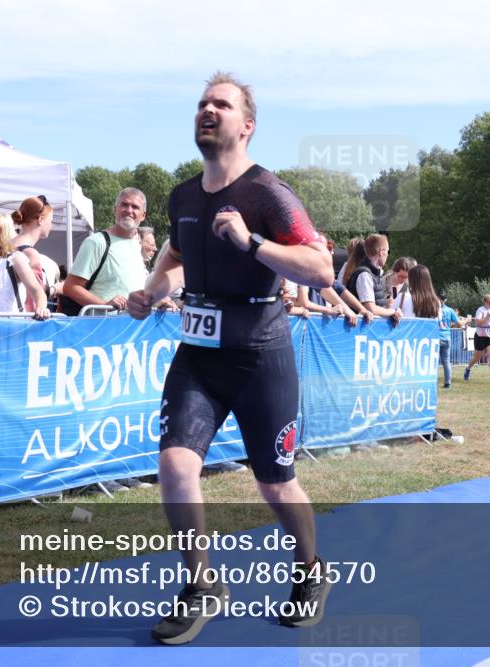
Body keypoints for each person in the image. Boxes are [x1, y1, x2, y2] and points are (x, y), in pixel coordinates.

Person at [127, 72, 334, 644]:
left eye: (221, 104)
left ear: (247, 124)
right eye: (201, 104)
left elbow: (321, 271)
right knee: (174, 466)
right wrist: (153, 290)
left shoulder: (269, 193)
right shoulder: (183, 195)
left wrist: (251, 243)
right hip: (198, 356)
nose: (207, 111)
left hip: (260, 357)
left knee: (275, 483)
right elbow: (175, 255)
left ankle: (311, 571)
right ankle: (200, 585)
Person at [62, 188, 150, 312]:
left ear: (143, 215)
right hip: (103, 327)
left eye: (135, 207)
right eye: (124, 204)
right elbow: (71, 287)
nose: (129, 210)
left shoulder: (136, 246)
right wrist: (104, 305)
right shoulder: (96, 242)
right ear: (115, 209)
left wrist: (159, 300)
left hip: (133, 328)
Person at [11, 195, 56, 311]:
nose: (52, 225)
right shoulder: (30, 254)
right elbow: (33, 300)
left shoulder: (5, 246)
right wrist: (57, 289)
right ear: (40, 220)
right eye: (51, 220)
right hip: (21, 321)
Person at [344, 234, 403, 323]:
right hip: (360, 331)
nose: (387, 255)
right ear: (381, 252)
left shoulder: (373, 274)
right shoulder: (364, 274)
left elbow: (379, 303)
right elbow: (371, 309)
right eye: (388, 251)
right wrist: (392, 311)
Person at [463, 293, 490, 384]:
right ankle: (468, 368)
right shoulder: (480, 310)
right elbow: (477, 323)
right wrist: (486, 318)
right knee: (477, 357)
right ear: (485, 302)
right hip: (480, 336)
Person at [437, 290, 462, 388]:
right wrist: (467, 320)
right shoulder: (450, 310)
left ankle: (433, 382)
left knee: (434, 362)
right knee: (446, 362)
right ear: (445, 299)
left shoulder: (432, 309)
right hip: (446, 337)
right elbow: (459, 323)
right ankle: (447, 383)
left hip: (436, 337)